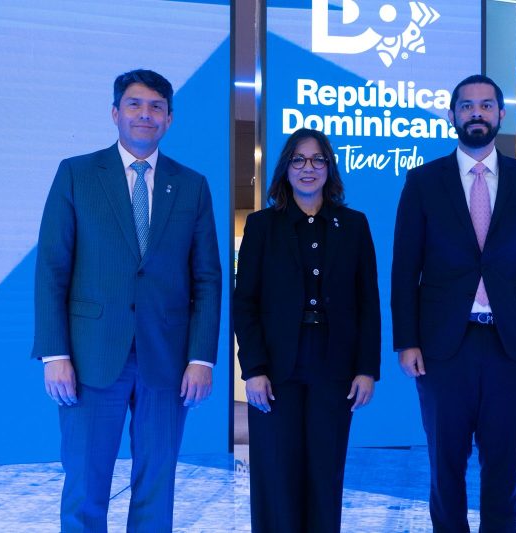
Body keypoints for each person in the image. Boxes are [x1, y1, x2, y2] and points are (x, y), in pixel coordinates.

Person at [32, 69, 221, 532]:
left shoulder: (192, 185)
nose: (145, 114)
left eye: (157, 107)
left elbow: (207, 278)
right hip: (90, 357)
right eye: (135, 104)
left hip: (167, 360)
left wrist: (201, 359)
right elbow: (52, 268)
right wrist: (55, 354)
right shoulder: (76, 174)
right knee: (84, 482)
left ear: (169, 119)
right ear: (115, 113)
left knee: (157, 482)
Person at [391, 74, 516, 532]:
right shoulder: (423, 182)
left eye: (486, 105)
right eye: (467, 106)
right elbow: (404, 269)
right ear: (452, 115)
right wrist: (407, 341)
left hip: (512, 346)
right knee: (445, 465)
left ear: (501, 115)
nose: (476, 114)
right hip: (442, 348)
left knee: (504, 467)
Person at [234, 128, 381, 533]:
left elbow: (368, 303)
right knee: (275, 474)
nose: (308, 168)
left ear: (329, 168)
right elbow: (245, 303)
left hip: (335, 367)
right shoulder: (262, 226)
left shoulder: (354, 225)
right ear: (285, 168)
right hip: (276, 366)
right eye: (298, 159)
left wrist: (366, 369)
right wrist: (254, 370)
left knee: (325, 474)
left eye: (318, 159)